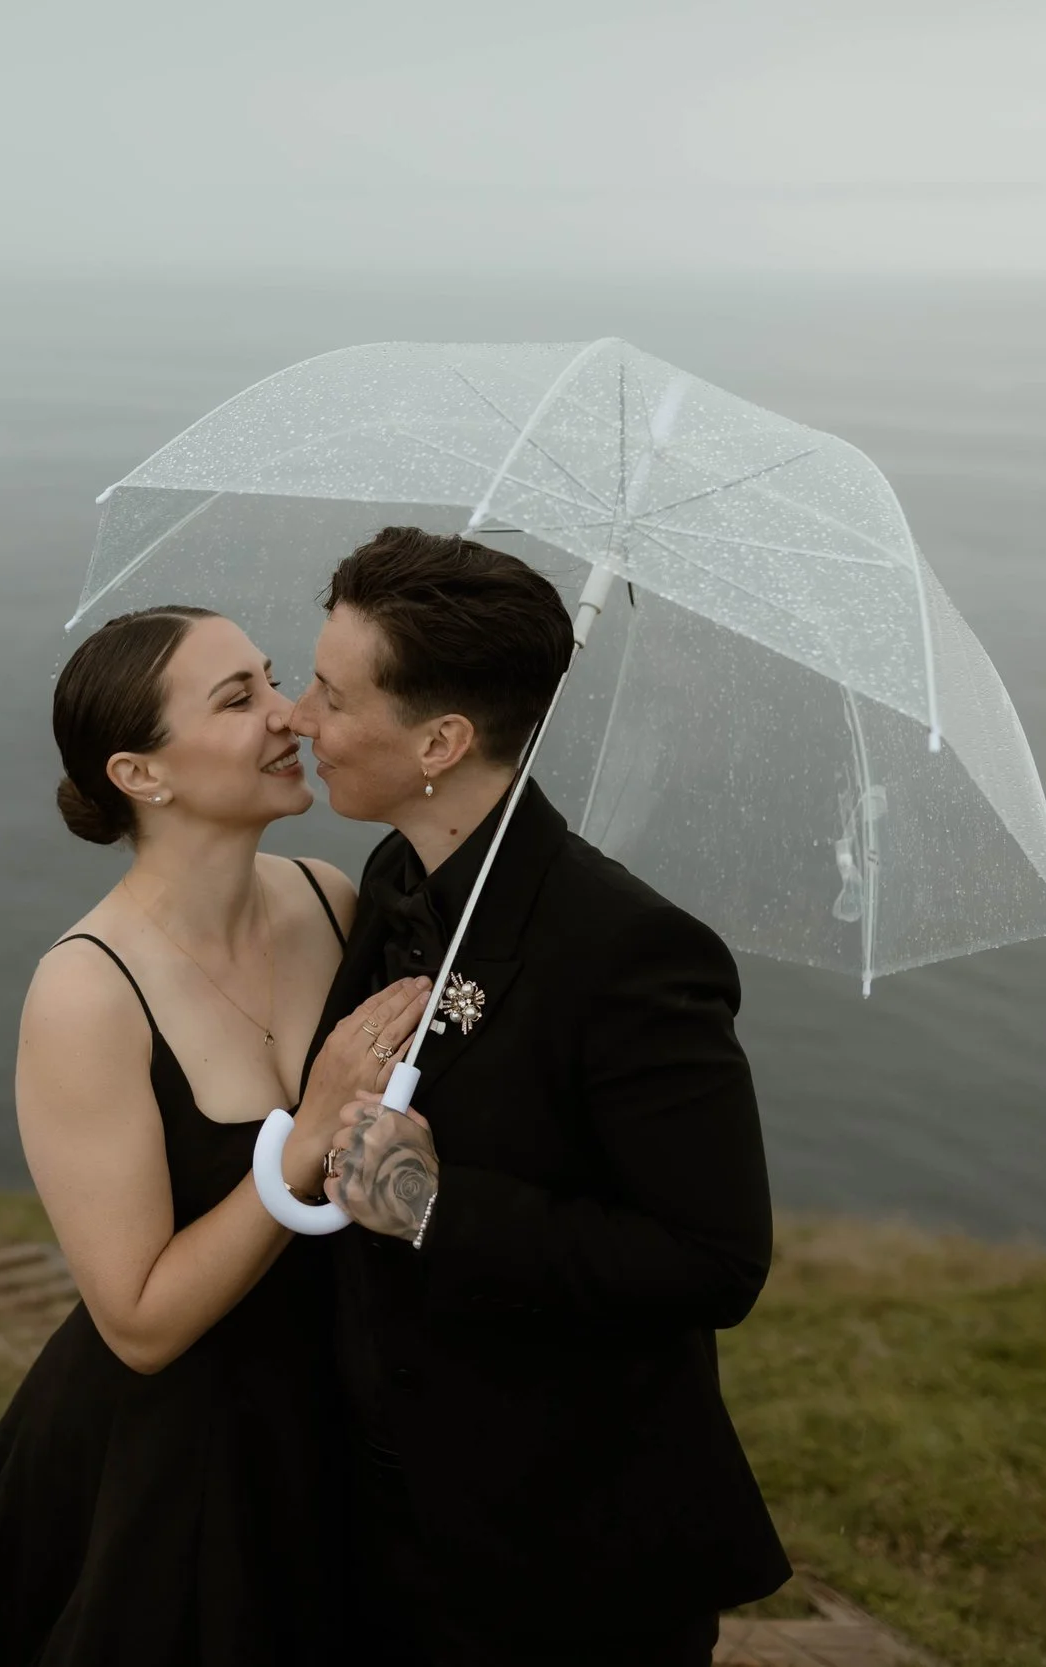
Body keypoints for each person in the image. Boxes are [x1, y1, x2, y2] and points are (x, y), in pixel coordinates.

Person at [289, 527, 793, 1665]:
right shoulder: (398, 876)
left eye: (329, 692)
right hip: (382, 1499)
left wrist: (430, 1205)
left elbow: (714, 1260)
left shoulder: (633, 952)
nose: (297, 717)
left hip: (563, 1539)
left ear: (442, 739)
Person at [0, 604, 427, 1667]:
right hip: (173, 1468)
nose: (291, 714)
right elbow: (142, 1324)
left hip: (340, 1422)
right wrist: (300, 1143)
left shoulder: (332, 898)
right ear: (139, 774)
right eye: (238, 698)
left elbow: (376, 1186)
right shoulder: (86, 990)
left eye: (272, 680)